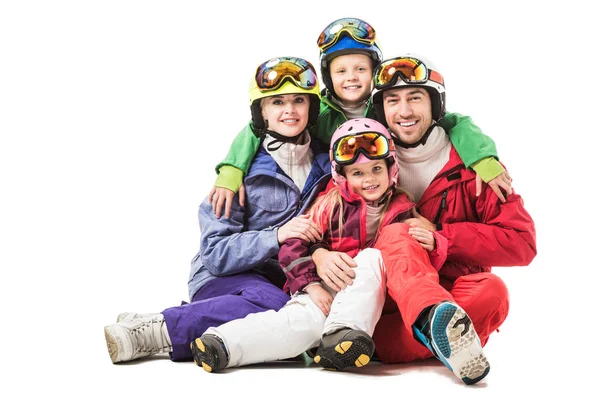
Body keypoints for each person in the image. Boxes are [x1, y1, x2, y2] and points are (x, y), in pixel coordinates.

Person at [314, 54, 537, 385]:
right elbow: (324, 216)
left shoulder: (474, 166)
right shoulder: (367, 159)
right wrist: (318, 254)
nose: (404, 111)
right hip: (386, 295)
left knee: (493, 292)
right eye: (393, 101)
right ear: (379, 109)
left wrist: (444, 237)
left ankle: (406, 338)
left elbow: (522, 243)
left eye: (415, 98)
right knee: (398, 234)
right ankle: (432, 329)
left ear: (435, 105)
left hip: (452, 293)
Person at [103, 56, 333, 363]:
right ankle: (157, 331)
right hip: (226, 277)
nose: (289, 110)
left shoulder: (329, 165)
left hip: (290, 278)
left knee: (300, 313)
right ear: (261, 112)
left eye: (298, 101)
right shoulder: (238, 175)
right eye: (276, 102)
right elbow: (215, 252)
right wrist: (276, 235)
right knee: (275, 307)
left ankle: (180, 319)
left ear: (311, 107)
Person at [190, 117, 447, 373]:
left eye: (376, 169)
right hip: (322, 287)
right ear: (342, 176)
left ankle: (341, 335)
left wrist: (434, 241)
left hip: (363, 299)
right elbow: (294, 245)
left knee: (372, 257)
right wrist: (311, 285)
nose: (369, 179)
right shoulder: (329, 204)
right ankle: (223, 343)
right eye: (358, 173)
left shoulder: (404, 210)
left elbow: (416, 261)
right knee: (297, 328)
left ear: (391, 169)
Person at [209, 17, 512, 220]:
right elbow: (257, 130)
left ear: (374, 73)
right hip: (339, 202)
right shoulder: (316, 112)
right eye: (341, 71)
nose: (351, 78)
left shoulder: (388, 105)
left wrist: (482, 159)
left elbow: (456, 122)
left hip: (388, 191)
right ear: (328, 75)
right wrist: (231, 172)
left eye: (360, 69)